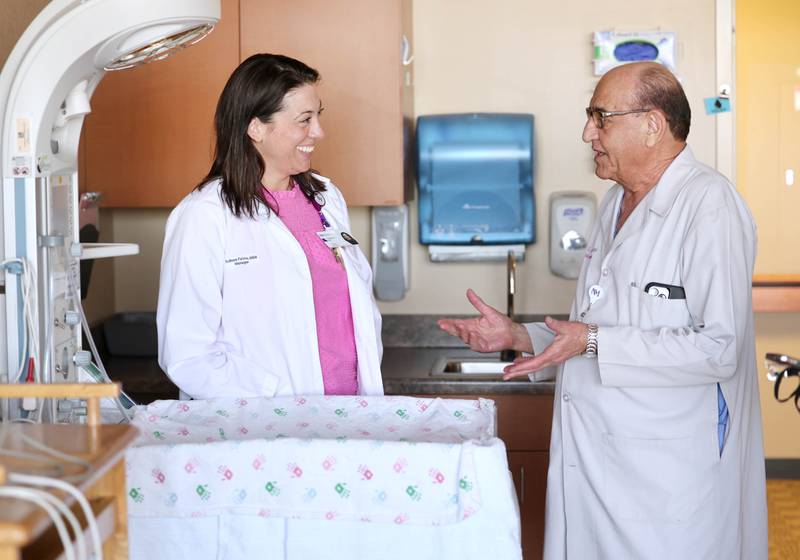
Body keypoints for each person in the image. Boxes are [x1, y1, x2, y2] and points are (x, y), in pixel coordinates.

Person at [439, 62, 767, 559]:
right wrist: (521, 336)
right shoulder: (615, 204)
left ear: (652, 124)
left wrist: (592, 341)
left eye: (601, 117)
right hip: (598, 462)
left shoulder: (709, 205)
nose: (587, 132)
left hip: (666, 479)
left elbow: (720, 348)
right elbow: (599, 327)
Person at [157, 53, 383, 399]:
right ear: (256, 127)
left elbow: (355, 314)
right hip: (263, 425)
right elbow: (188, 354)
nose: (319, 132)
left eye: (318, 116)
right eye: (304, 120)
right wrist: (273, 399)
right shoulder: (205, 215)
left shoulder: (326, 197)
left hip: (349, 411)